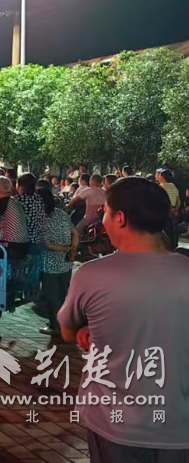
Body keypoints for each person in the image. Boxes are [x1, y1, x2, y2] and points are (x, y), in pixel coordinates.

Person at [59, 177, 189, 460]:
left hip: (115, 422)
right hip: (178, 423)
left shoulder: (91, 274)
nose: (103, 219)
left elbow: (68, 331)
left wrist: (86, 328)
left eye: (105, 211)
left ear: (120, 218)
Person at [37, 187, 76, 338]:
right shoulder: (61, 213)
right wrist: (71, 251)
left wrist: (64, 249)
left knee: (52, 296)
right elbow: (75, 233)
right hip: (66, 263)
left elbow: (47, 244)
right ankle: (66, 325)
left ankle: (56, 327)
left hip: (50, 264)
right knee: (64, 293)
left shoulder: (41, 218)